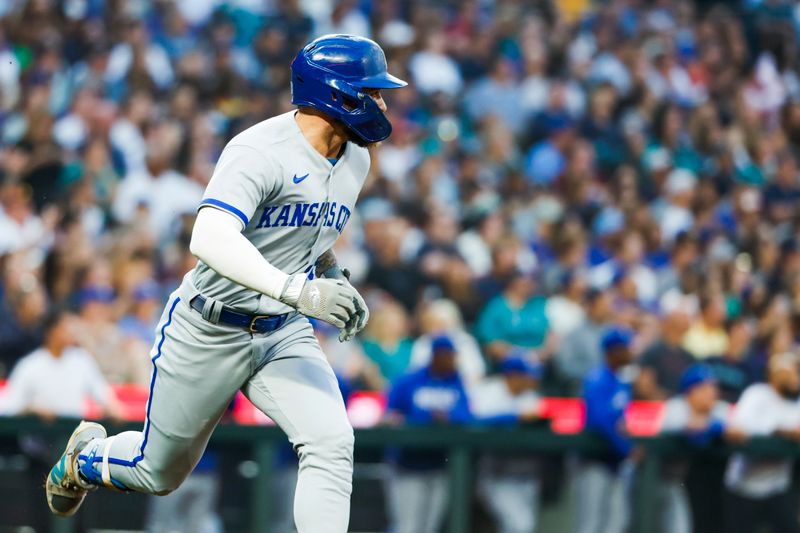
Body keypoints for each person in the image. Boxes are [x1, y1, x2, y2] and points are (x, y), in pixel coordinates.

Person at [44, 34, 407, 533]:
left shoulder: (356, 158)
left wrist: (331, 275)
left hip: (282, 331)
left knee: (331, 442)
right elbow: (210, 235)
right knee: (159, 472)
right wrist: (301, 291)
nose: (382, 103)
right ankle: (86, 460)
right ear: (336, 94)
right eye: (372, 91)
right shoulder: (260, 149)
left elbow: (308, 230)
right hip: (210, 325)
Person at [384, 334, 471, 533]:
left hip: (439, 465)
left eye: (452, 355)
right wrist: (425, 417)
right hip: (407, 465)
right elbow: (390, 417)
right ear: (436, 355)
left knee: (429, 528)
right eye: (447, 355)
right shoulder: (409, 380)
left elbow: (467, 416)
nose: (451, 359)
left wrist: (447, 418)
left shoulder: (456, 381)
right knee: (407, 527)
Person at [723, 352, 800, 533]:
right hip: (744, 486)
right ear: (776, 374)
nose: (796, 377)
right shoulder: (757, 394)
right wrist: (779, 430)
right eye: (792, 371)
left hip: (778, 487)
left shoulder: (796, 403)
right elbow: (737, 430)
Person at [0, 309, 122, 419]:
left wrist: (111, 407)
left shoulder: (82, 360)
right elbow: (10, 405)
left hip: (75, 436)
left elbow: (102, 393)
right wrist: (30, 409)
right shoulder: (30, 365)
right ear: (52, 331)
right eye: (66, 327)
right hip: (40, 438)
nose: (72, 332)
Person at [575, 326, 639, 533]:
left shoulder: (622, 381)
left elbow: (620, 420)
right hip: (594, 460)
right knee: (590, 524)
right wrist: (627, 448)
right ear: (613, 351)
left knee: (616, 523)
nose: (630, 352)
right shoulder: (597, 379)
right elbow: (600, 422)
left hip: (615, 462)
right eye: (625, 348)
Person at [471, 356, 542, 533]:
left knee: (520, 526)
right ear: (512, 376)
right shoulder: (488, 392)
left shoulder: (531, 397)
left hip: (526, 474)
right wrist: (514, 417)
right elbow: (473, 422)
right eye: (527, 376)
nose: (531, 381)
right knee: (520, 526)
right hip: (495, 476)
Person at [659, 364, 733, 533]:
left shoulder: (718, 409)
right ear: (691, 391)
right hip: (661, 480)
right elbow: (690, 430)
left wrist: (716, 426)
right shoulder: (675, 407)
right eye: (706, 388)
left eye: (713, 387)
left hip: (690, 482)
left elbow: (737, 432)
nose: (712, 392)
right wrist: (713, 426)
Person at [635, 309, 695, 400]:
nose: (685, 322)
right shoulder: (653, 352)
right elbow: (644, 385)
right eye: (681, 320)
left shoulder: (689, 357)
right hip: (657, 406)